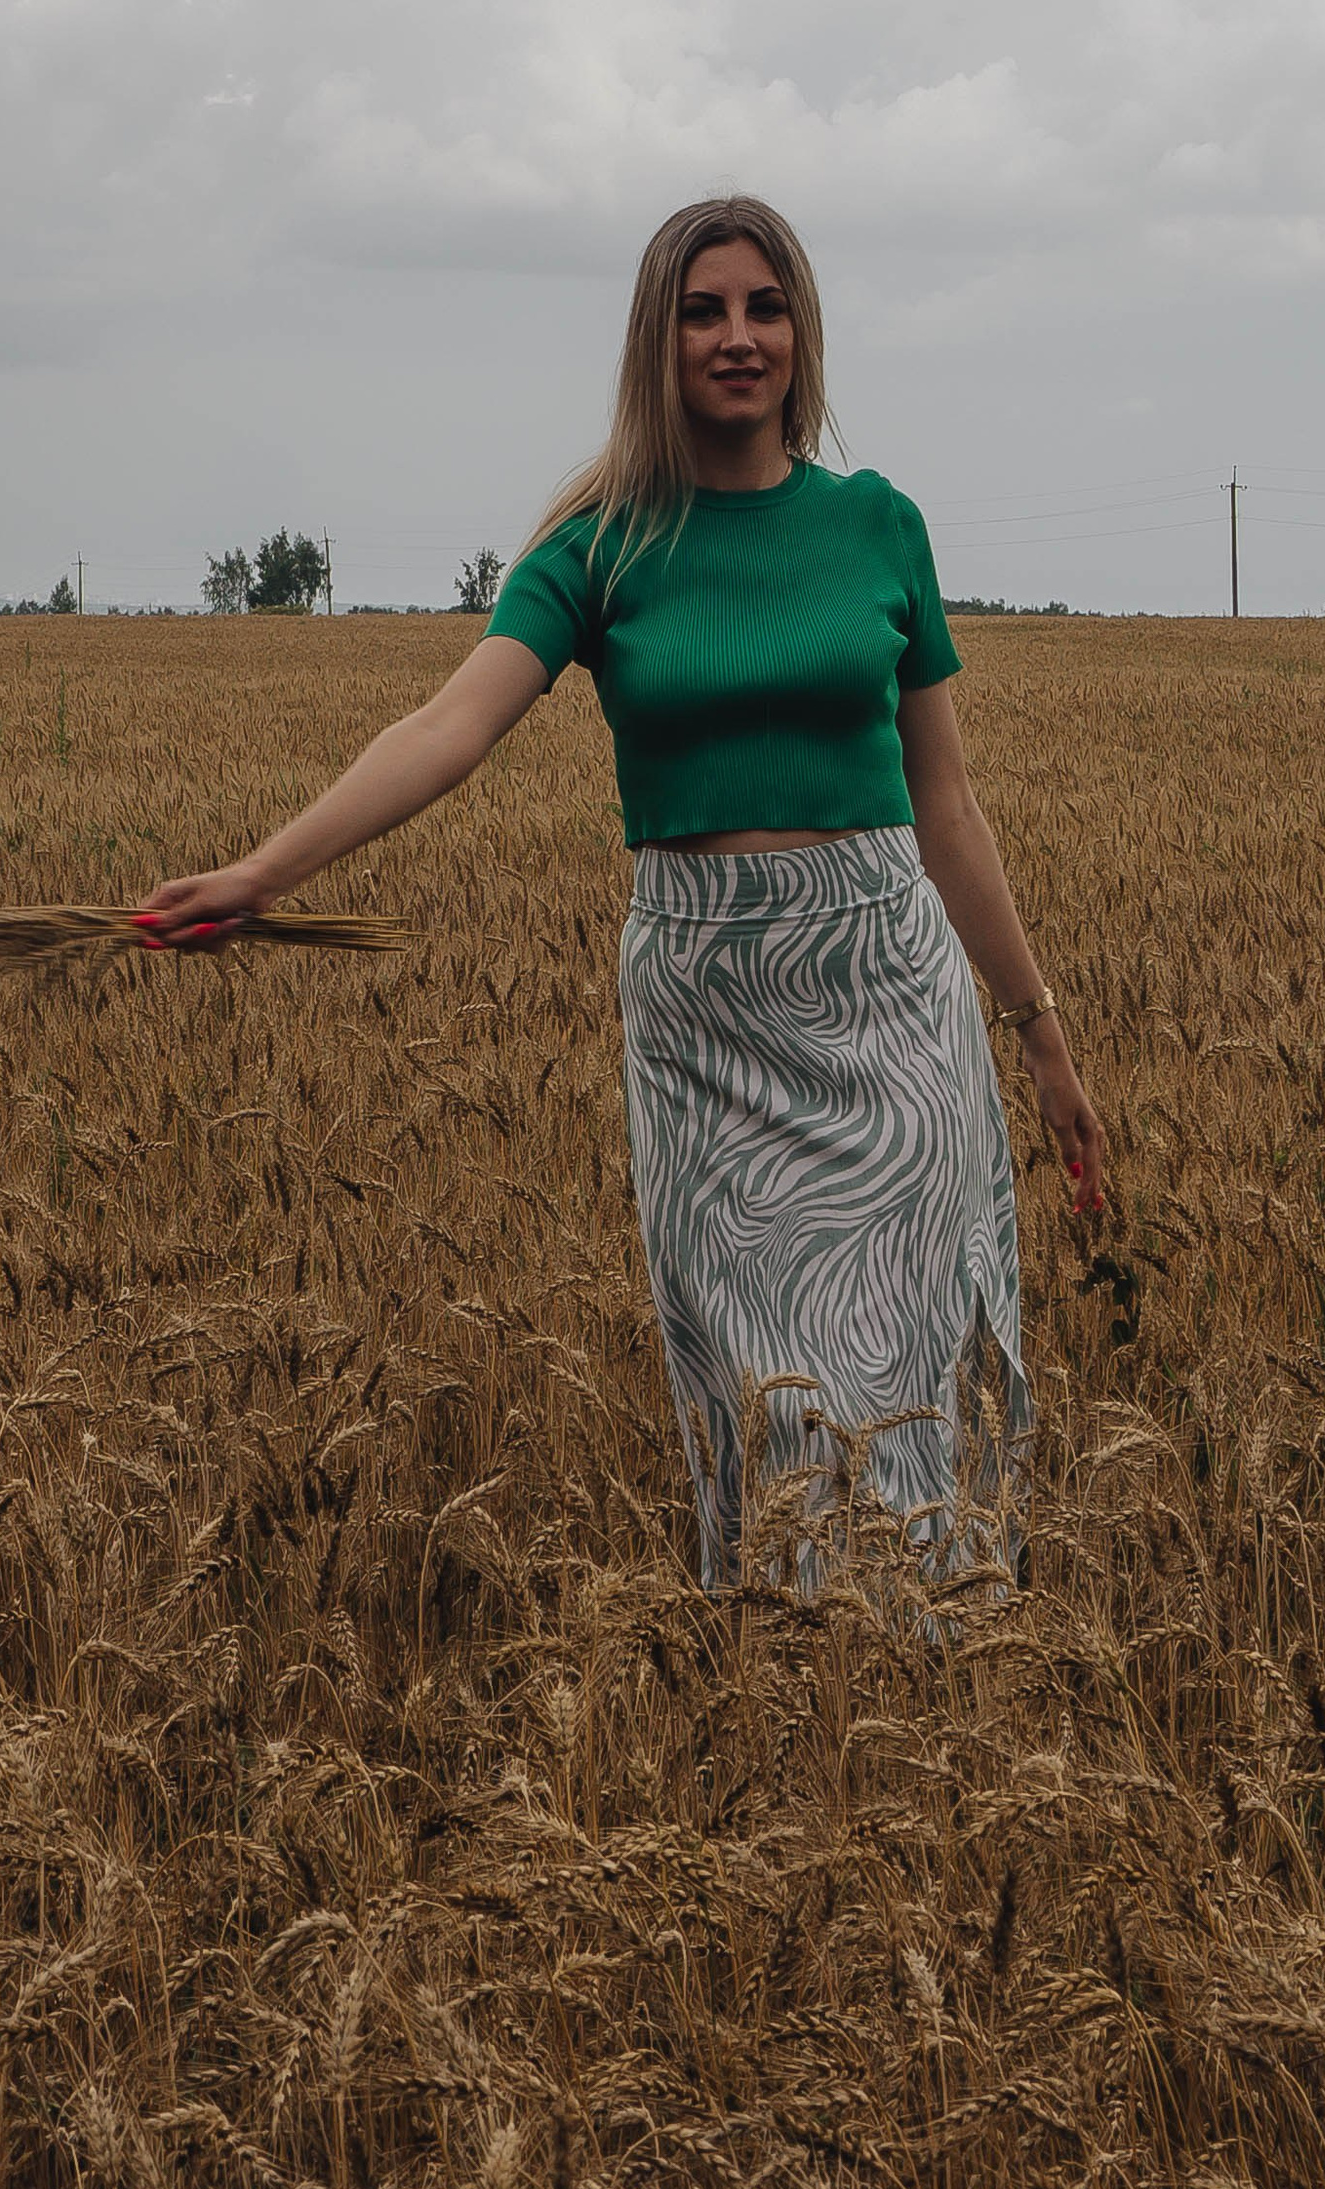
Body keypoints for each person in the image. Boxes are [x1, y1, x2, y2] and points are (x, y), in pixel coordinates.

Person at [138, 194, 1108, 1588]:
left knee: (892, 1400)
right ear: (655, 341)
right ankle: (794, 1704)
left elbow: (946, 805)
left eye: (763, 308)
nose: (736, 338)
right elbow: (447, 728)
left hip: (890, 1002)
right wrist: (260, 872)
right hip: (710, 1027)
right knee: (769, 1410)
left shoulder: (879, 526)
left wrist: (1041, 1036)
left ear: (803, 331)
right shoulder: (600, 549)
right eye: (701, 311)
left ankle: (914, 1718)